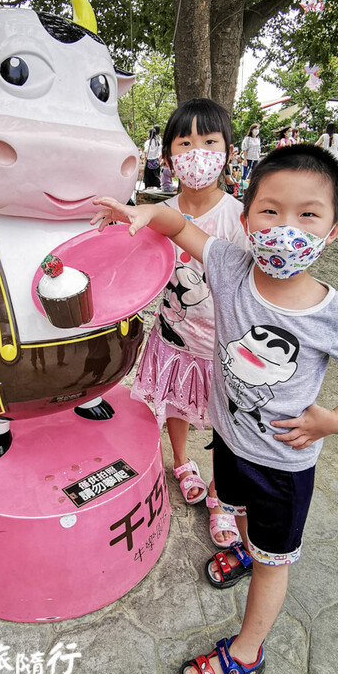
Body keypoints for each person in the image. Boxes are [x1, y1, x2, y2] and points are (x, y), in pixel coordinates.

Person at [92, 144, 338, 674]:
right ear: (246, 217)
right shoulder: (229, 265)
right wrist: (143, 213)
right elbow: (177, 222)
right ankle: (247, 549)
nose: (285, 228)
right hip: (229, 440)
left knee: (275, 565)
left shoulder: (336, 314)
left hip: (283, 465)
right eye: (270, 211)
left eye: (308, 214)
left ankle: (247, 654)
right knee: (238, 506)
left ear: (333, 229)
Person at [130, 98, 248, 548]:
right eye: (185, 142)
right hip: (172, 337)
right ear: (167, 158)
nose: (197, 152)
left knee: (223, 420)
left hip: (221, 345)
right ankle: (181, 462)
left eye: (209, 141)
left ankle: (220, 493)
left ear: (228, 152)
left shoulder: (239, 218)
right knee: (176, 404)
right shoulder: (156, 214)